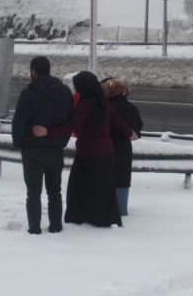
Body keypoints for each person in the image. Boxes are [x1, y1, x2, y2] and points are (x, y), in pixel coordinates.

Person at [33, 71, 137, 228]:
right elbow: (118, 121)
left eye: (77, 87)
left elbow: (70, 125)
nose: (76, 90)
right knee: (102, 189)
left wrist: (48, 131)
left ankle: (80, 216)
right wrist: (130, 133)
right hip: (107, 153)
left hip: (88, 153)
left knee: (79, 187)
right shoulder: (103, 102)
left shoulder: (85, 104)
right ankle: (103, 218)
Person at [12, 56, 75, 234]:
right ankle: (56, 226)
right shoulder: (64, 92)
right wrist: (59, 140)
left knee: (33, 192)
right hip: (55, 149)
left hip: (32, 150)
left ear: (33, 72)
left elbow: (19, 122)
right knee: (54, 190)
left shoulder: (28, 93)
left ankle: (34, 228)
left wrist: (19, 143)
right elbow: (70, 120)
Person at [101, 78, 143, 216]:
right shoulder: (132, 109)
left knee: (105, 177)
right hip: (123, 149)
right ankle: (121, 209)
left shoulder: (103, 108)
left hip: (104, 147)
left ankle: (104, 208)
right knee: (122, 179)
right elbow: (137, 130)